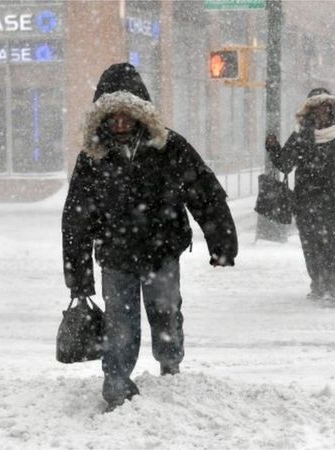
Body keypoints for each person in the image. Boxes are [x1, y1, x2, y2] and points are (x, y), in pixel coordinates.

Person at [62, 63, 238, 411]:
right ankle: (115, 383)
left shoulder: (169, 146)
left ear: (142, 114)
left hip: (162, 251)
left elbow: (204, 192)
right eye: (113, 116)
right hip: (116, 256)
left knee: (166, 312)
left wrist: (222, 243)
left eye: (129, 115)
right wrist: (79, 280)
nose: (122, 123)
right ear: (103, 118)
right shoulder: (93, 158)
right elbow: (76, 221)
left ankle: (170, 365)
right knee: (120, 324)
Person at [265, 88, 335, 302]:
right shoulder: (300, 137)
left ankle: (329, 285)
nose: (321, 111)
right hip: (307, 203)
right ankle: (319, 283)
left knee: (333, 243)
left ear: (331, 109)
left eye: (325, 107)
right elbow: (286, 164)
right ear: (309, 110)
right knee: (311, 246)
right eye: (317, 107)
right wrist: (274, 150)